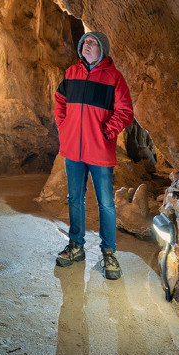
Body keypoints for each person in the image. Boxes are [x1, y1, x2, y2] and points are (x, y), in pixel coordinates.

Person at [54, 30, 133, 279]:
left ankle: (108, 252)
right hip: (73, 151)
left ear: (102, 49)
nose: (87, 45)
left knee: (106, 203)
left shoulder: (114, 78)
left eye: (92, 43)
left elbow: (125, 111)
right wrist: (64, 126)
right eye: (85, 42)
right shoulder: (71, 73)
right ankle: (76, 246)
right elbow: (59, 101)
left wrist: (106, 133)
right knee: (75, 199)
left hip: (99, 151)